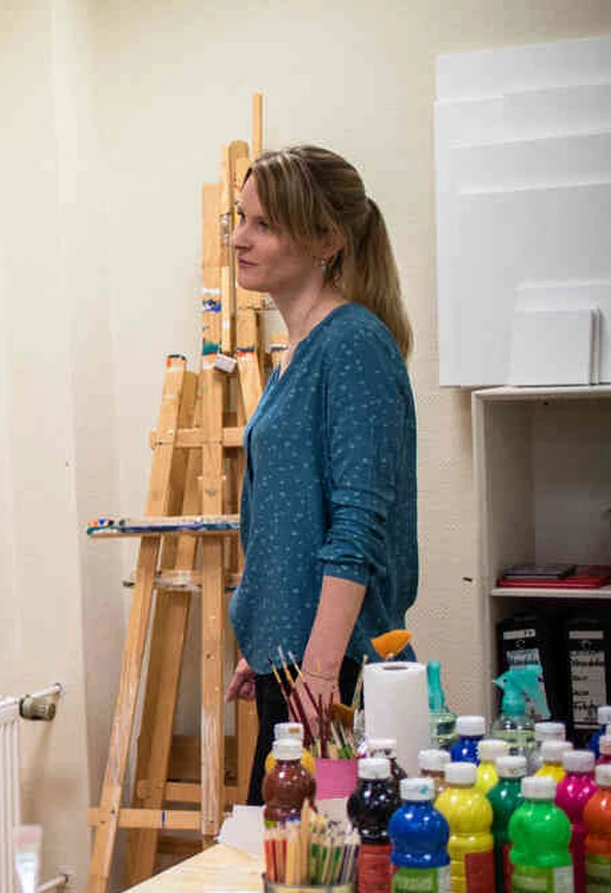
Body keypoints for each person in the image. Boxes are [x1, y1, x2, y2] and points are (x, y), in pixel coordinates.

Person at [221, 145, 418, 804]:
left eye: (264, 224)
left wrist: (320, 670)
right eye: (239, 218)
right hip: (296, 666)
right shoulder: (297, 352)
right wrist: (267, 635)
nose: (239, 239)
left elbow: (357, 525)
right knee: (283, 852)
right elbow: (291, 517)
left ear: (327, 240)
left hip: (333, 677)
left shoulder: (353, 344)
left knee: (319, 853)